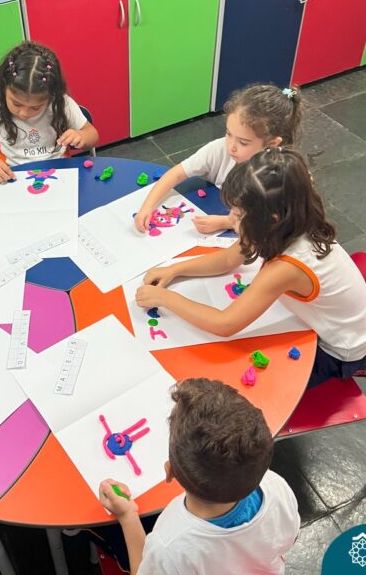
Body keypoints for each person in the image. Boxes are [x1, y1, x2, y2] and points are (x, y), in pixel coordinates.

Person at [136, 148, 366, 387]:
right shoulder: (287, 221)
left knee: (251, 386)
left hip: (338, 350)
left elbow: (225, 324)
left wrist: (166, 298)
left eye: (237, 215)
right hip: (334, 319)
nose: (231, 219)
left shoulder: (287, 267)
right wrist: (174, 270)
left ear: (271, 219)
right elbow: (228, 260)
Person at [99, 378, 300, 574]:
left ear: (170, 471)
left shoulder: (169, 546)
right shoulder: (277, 486)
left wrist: (127, 516)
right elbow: (288, 541)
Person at [134, 84, 303, 235]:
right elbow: (176, 173)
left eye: (243, 142)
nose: (231, 146)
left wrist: (226, 222)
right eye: (229, 133)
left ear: (272, 144)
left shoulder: (281, 173)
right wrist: (147, 207)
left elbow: (275, 222)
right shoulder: (219, 148)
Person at [0, 41, 99, 184]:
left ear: (51, 96)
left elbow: (92, 135)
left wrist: (81, 136)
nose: (24, 113)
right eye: (16, 103)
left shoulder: (61, 104)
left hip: (60, 175)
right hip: (12, 179)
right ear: (4, 87)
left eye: (36, 108)